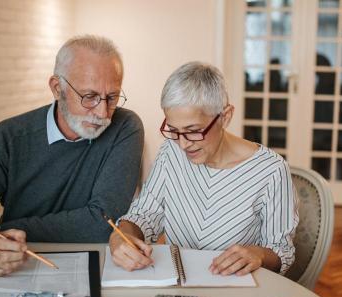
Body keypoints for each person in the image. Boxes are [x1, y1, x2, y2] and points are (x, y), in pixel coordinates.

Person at [0, 35, 144, 276]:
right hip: (19, 268)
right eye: (89, 96)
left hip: (97, 267)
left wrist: (10, 228)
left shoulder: (125, 127)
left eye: (112, 97)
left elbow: (103, 223)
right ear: (58, 88)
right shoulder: (8, 137)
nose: (102, 112)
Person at [109, 62, 298, 276]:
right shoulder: (171, 152)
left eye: (193, 131)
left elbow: (282, 251)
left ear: (225, 116)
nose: (183, 144)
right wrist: (121, 235)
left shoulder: (271, 171)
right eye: (173, 130)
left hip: (236, 288)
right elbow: (144, 215)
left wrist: (259, 254)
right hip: (177, 286)